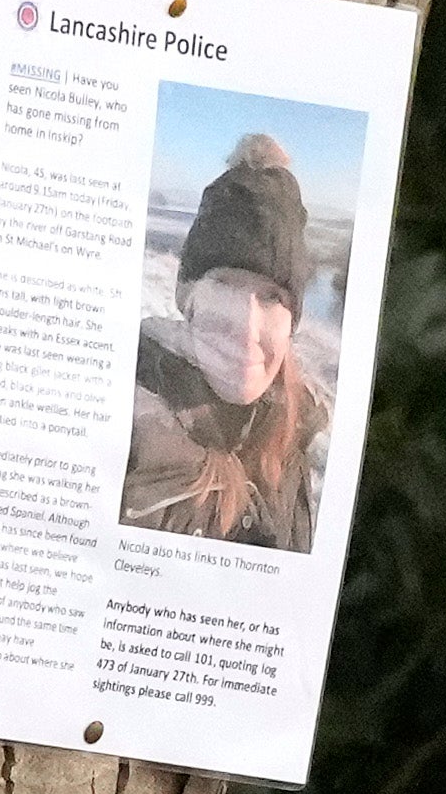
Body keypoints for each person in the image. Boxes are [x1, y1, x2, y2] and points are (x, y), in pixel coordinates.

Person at [123, 129, 328, 549]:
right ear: (188, 299)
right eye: (227, 286)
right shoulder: (132, 428)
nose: (248, 328)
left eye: (273, 297)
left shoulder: (291, 427)